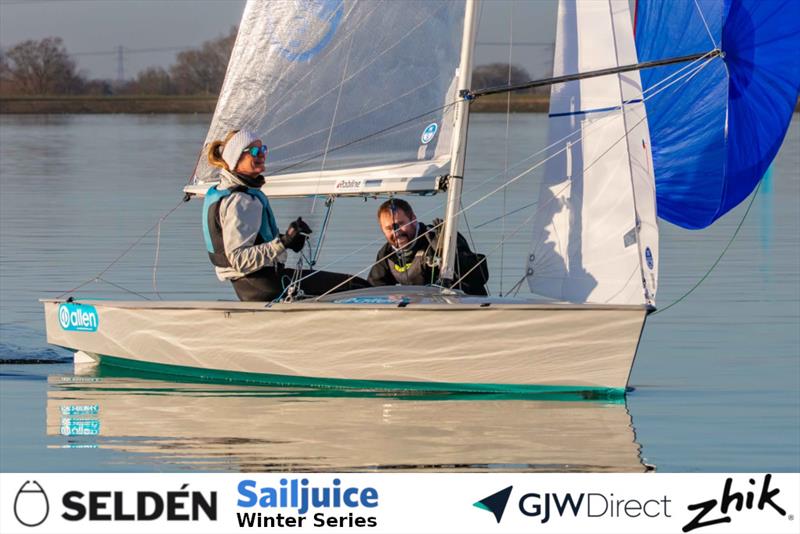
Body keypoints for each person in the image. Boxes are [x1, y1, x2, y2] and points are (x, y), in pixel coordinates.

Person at [203, 129, 369, 301]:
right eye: (254, 151)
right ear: (235, 159)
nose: (261, 155)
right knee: (357, 286)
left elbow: (250, 241)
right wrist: (281, 243)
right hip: (264, 284)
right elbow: (238, 259)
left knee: (351, 285)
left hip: (254, 285)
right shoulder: (241, 200)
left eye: (263, 149)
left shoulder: (227, 192)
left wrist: (289, 240)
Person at [367, 199, 488, 295]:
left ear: (413, 219)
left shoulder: (439, 237)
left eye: (400, 224)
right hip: (420, 313)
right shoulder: (387, 253)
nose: (396, 232)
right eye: (389, 228)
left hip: (461, 308)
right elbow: (373, 289)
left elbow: (479, 277)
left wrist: (449, 255)